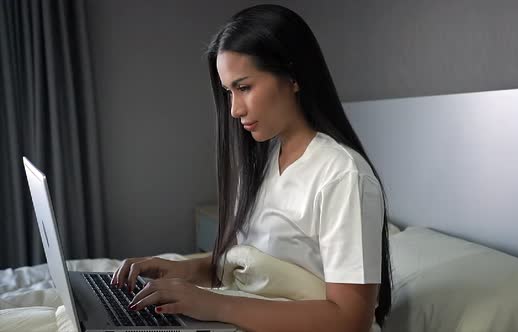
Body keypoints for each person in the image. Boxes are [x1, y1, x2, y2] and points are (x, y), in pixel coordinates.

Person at [111, 4, 392, 331]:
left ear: (293, 76)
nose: (233, 109)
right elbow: (254, 268)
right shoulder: (264, 158)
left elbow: (350, 319)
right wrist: (183, 270)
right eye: (229, 91)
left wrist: (214, 304)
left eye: (244, 87)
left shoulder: (342, 175)